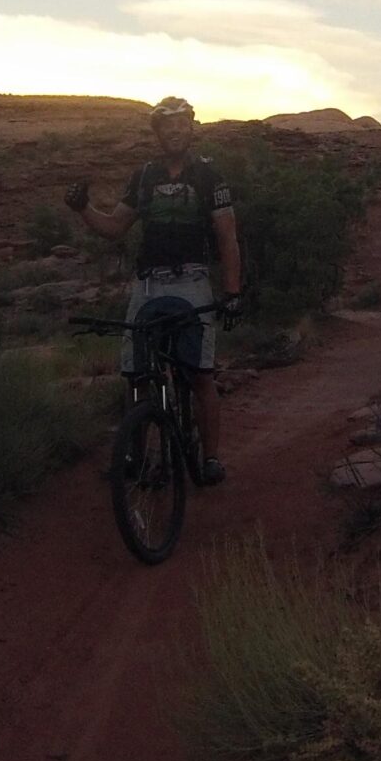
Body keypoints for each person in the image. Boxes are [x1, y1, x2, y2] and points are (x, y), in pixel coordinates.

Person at [65, 95, 244, 486]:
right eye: (167, 126)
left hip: (193, 281)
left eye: (181, 124)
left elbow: (227, 238)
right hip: (148, 283)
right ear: (158, 133)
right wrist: (82, 208)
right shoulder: (144, 176)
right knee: (136, 375)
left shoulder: (208, 176)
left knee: (200, 376)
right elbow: (115, 227)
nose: (175, 131)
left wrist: (232, 293)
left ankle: (210, 458)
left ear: (191, 129)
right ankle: (135, 455)